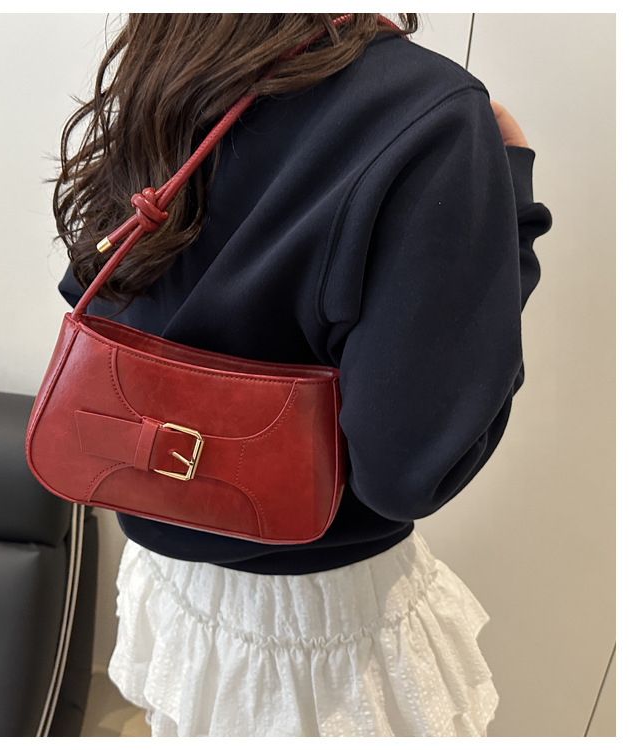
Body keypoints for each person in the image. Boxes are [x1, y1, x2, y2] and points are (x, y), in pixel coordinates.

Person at [54, 13, 553, 737]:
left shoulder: (174, 48)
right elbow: (410, 467)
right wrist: (511, 217)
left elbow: (100, 287)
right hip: (327, 641)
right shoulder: (427, 109)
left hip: (170, 588)